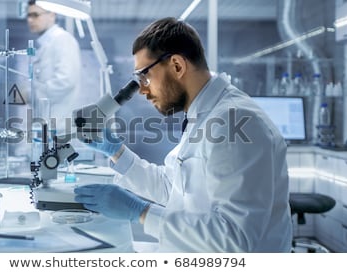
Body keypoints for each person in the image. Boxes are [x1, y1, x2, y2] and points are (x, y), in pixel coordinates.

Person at [74, 17, 292, 252]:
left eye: (145, 77)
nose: (142, 90)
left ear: (177, 65)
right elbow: (173, 188)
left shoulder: (235, 122)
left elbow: (236, 240)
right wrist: (117, 152)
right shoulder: (205, 114)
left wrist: (142, 212)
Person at [26, 0, 81, 134]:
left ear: (52, 15)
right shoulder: (48, 44)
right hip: (49, 126)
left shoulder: (62, 40)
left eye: (35, 15)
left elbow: (65, 81)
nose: (29, 20)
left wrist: (31, 93)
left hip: (60, 127)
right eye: (28, 16)